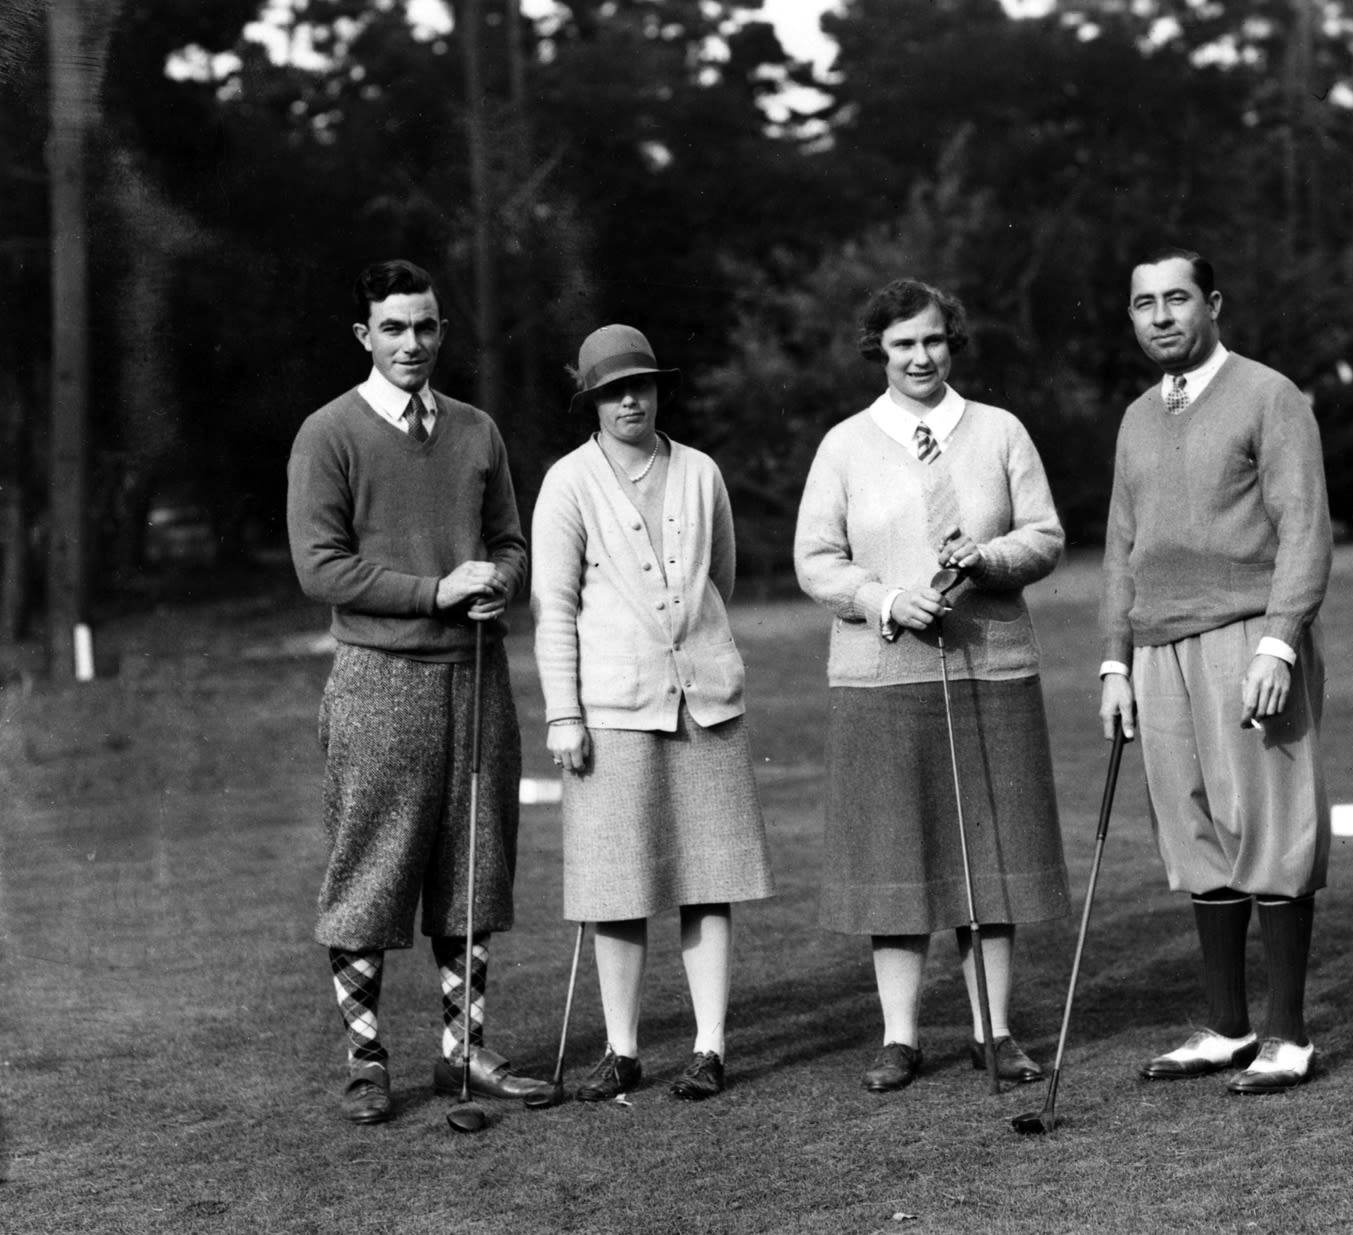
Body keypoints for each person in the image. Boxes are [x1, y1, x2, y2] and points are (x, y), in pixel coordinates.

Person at [287, 258, 546, 1125]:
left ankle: (462, 1053)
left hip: (477, 678)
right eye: (394, 327)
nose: (412, 342)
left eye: (426, 325)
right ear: (365, 335)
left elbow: (510, 540)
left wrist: (502, 580)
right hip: (379, 677)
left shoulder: (476, 430)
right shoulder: (329, 433)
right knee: (371, 868)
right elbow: (320, 566)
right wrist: (433, 590)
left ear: (442, 329)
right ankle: (366, 1058)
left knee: (473, 871)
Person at [794, 278, 1068, 1093]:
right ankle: (900, 1036)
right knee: (896, 851)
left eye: (933, 340)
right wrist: (883, 597)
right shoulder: (845, 444)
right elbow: (816, 559)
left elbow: (1045, 534)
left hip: (990, 663)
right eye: (903, 343)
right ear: (877, 349)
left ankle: (994, 1030)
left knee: (990, 849)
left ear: (953, 343)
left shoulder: (1000, 431)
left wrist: (988, 561)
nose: (920, 356)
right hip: (883, 671)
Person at [1098, 246, 1333, 1094]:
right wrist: (1113, 661)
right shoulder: (1134, 417)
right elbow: (1122, 549)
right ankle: (1227, 1026)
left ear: (1212, 304)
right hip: (1156, 648)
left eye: (1176, 299)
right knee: (1192, 832)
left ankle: (1289, 1036)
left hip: (1247, 637)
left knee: (1268, 827)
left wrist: (1279, 642)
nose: (1160, 316)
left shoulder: (1268, 396)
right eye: (1142, 304)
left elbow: (1303, 526)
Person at [530, 324, 774, 1103]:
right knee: (616, 885)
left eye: (640, 383)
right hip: (611, 710)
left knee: (709, 876)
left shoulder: (700, 471)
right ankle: (623, 1047)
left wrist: (690, 653)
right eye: (611, 389)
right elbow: (553, 608)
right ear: (590, 401)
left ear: (660, 386)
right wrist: (564, 713)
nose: (628, 399)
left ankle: (708, 1046)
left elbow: (719, 577)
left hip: (706, 703)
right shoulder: (567, 482)